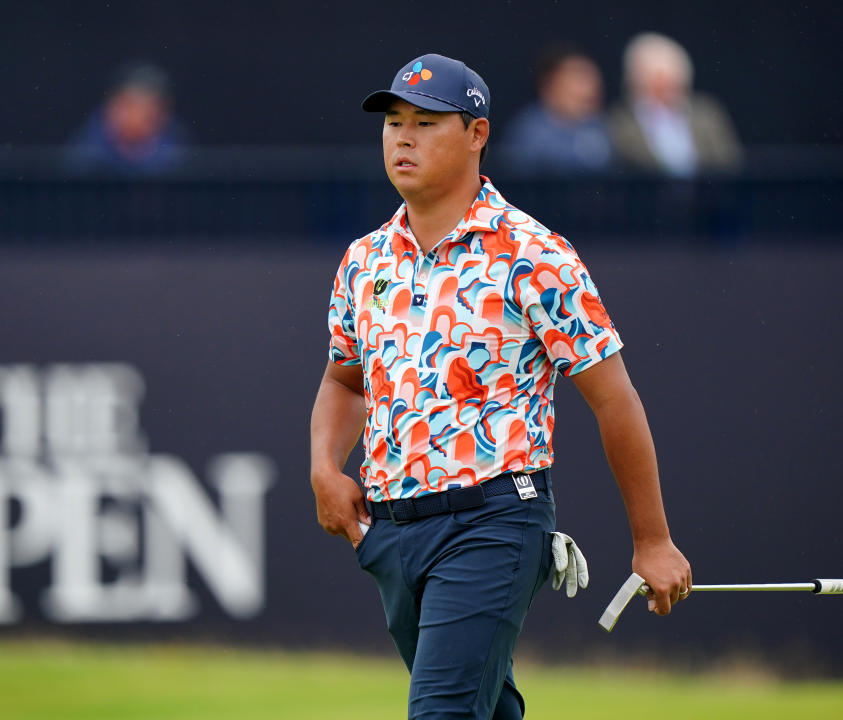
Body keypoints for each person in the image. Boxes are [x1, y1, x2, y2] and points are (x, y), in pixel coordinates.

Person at [309, 53, 692, 719]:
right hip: (392, 534)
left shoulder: (532, 254)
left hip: (492, 523)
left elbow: (612, 398)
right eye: (393, 122)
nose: (402, 137)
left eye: (426, 122)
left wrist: (651, 539)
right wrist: (323, 468)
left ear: (476, 135)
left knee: (442, 711)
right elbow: (345, 380)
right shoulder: (362, 261)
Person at [609, 33, 742, 178]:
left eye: (674, 81)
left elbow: (729, 161)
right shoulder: (619, 120)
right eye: (659, 82)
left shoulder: (706, 113)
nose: (668, 88)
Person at [500, 46, 612, 174]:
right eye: (579, 80)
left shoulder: (605, 128)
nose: (589, 90)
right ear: (549, 86)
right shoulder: (530, 132)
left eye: (593, 81)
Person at [64, 63, 185, 174]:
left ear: (163, 114)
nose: (135, 115)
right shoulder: (85, 151)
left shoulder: (177, 154)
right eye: (129, 105)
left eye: (146, 108)